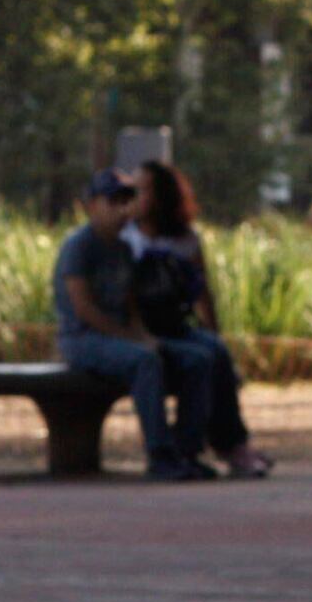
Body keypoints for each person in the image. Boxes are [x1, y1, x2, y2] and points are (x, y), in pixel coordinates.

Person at [54, 169, 221, 479]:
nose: (122, 210)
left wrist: (143, 334)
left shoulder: (124, 249)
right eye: (112, 201)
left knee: (199, 359)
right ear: (92, 205)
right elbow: (84, 309)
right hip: (82, 340)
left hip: (122, 337)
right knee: (145, 361)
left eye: (126, 201)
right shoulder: (79, 246)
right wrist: (133, 340)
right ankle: (160, 455)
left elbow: (131, 304)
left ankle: (187, 450)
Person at [125, 160, 269, 478]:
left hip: (176, 324)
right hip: (141, 329)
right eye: (133, 190)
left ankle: (231, 444)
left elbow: (203, 293)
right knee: (199, 359)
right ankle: (185, 449)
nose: (137, 196)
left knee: (214, 351)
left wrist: (214, 331)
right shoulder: (126, 239)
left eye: (145, 189)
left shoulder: (185, 239)